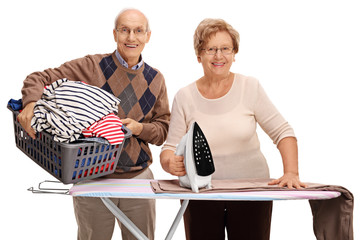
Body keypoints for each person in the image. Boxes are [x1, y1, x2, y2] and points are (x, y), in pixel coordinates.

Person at [18, 8, 170, 240]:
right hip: (91, 178)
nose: (131, 37)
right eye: (124, 30)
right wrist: (30, 104)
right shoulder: (92, 66)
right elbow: (39, 78)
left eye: (138, 31)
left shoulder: (156, 79)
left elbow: (162, 131)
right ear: (114, 34)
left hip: (138, 180)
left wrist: (140, 128)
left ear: (148, 36)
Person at [160, 18, 306, 240]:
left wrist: (291, 173)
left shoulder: (250, 87)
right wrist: (170, 162)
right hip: (201, 196)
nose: (219, 56)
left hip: (252, 194)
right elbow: (169, 148)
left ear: (234, 53)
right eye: (211, 49)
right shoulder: (185, 96)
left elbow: (283, 132)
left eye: (225, 49)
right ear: (198, 55)